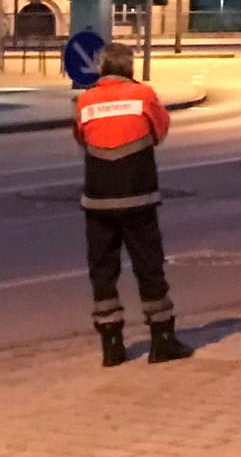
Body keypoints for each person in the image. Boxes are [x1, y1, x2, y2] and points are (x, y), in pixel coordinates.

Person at [73, 42, 192, 366]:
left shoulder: (85, 100)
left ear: (102, 68)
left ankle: (111, 346)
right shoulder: (143, 96)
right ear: (129, 67)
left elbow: (82, 138)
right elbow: (160, 131)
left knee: (103, 271)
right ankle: (162, 340)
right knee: (148, 267)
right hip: (138, 196)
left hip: (97, 200)